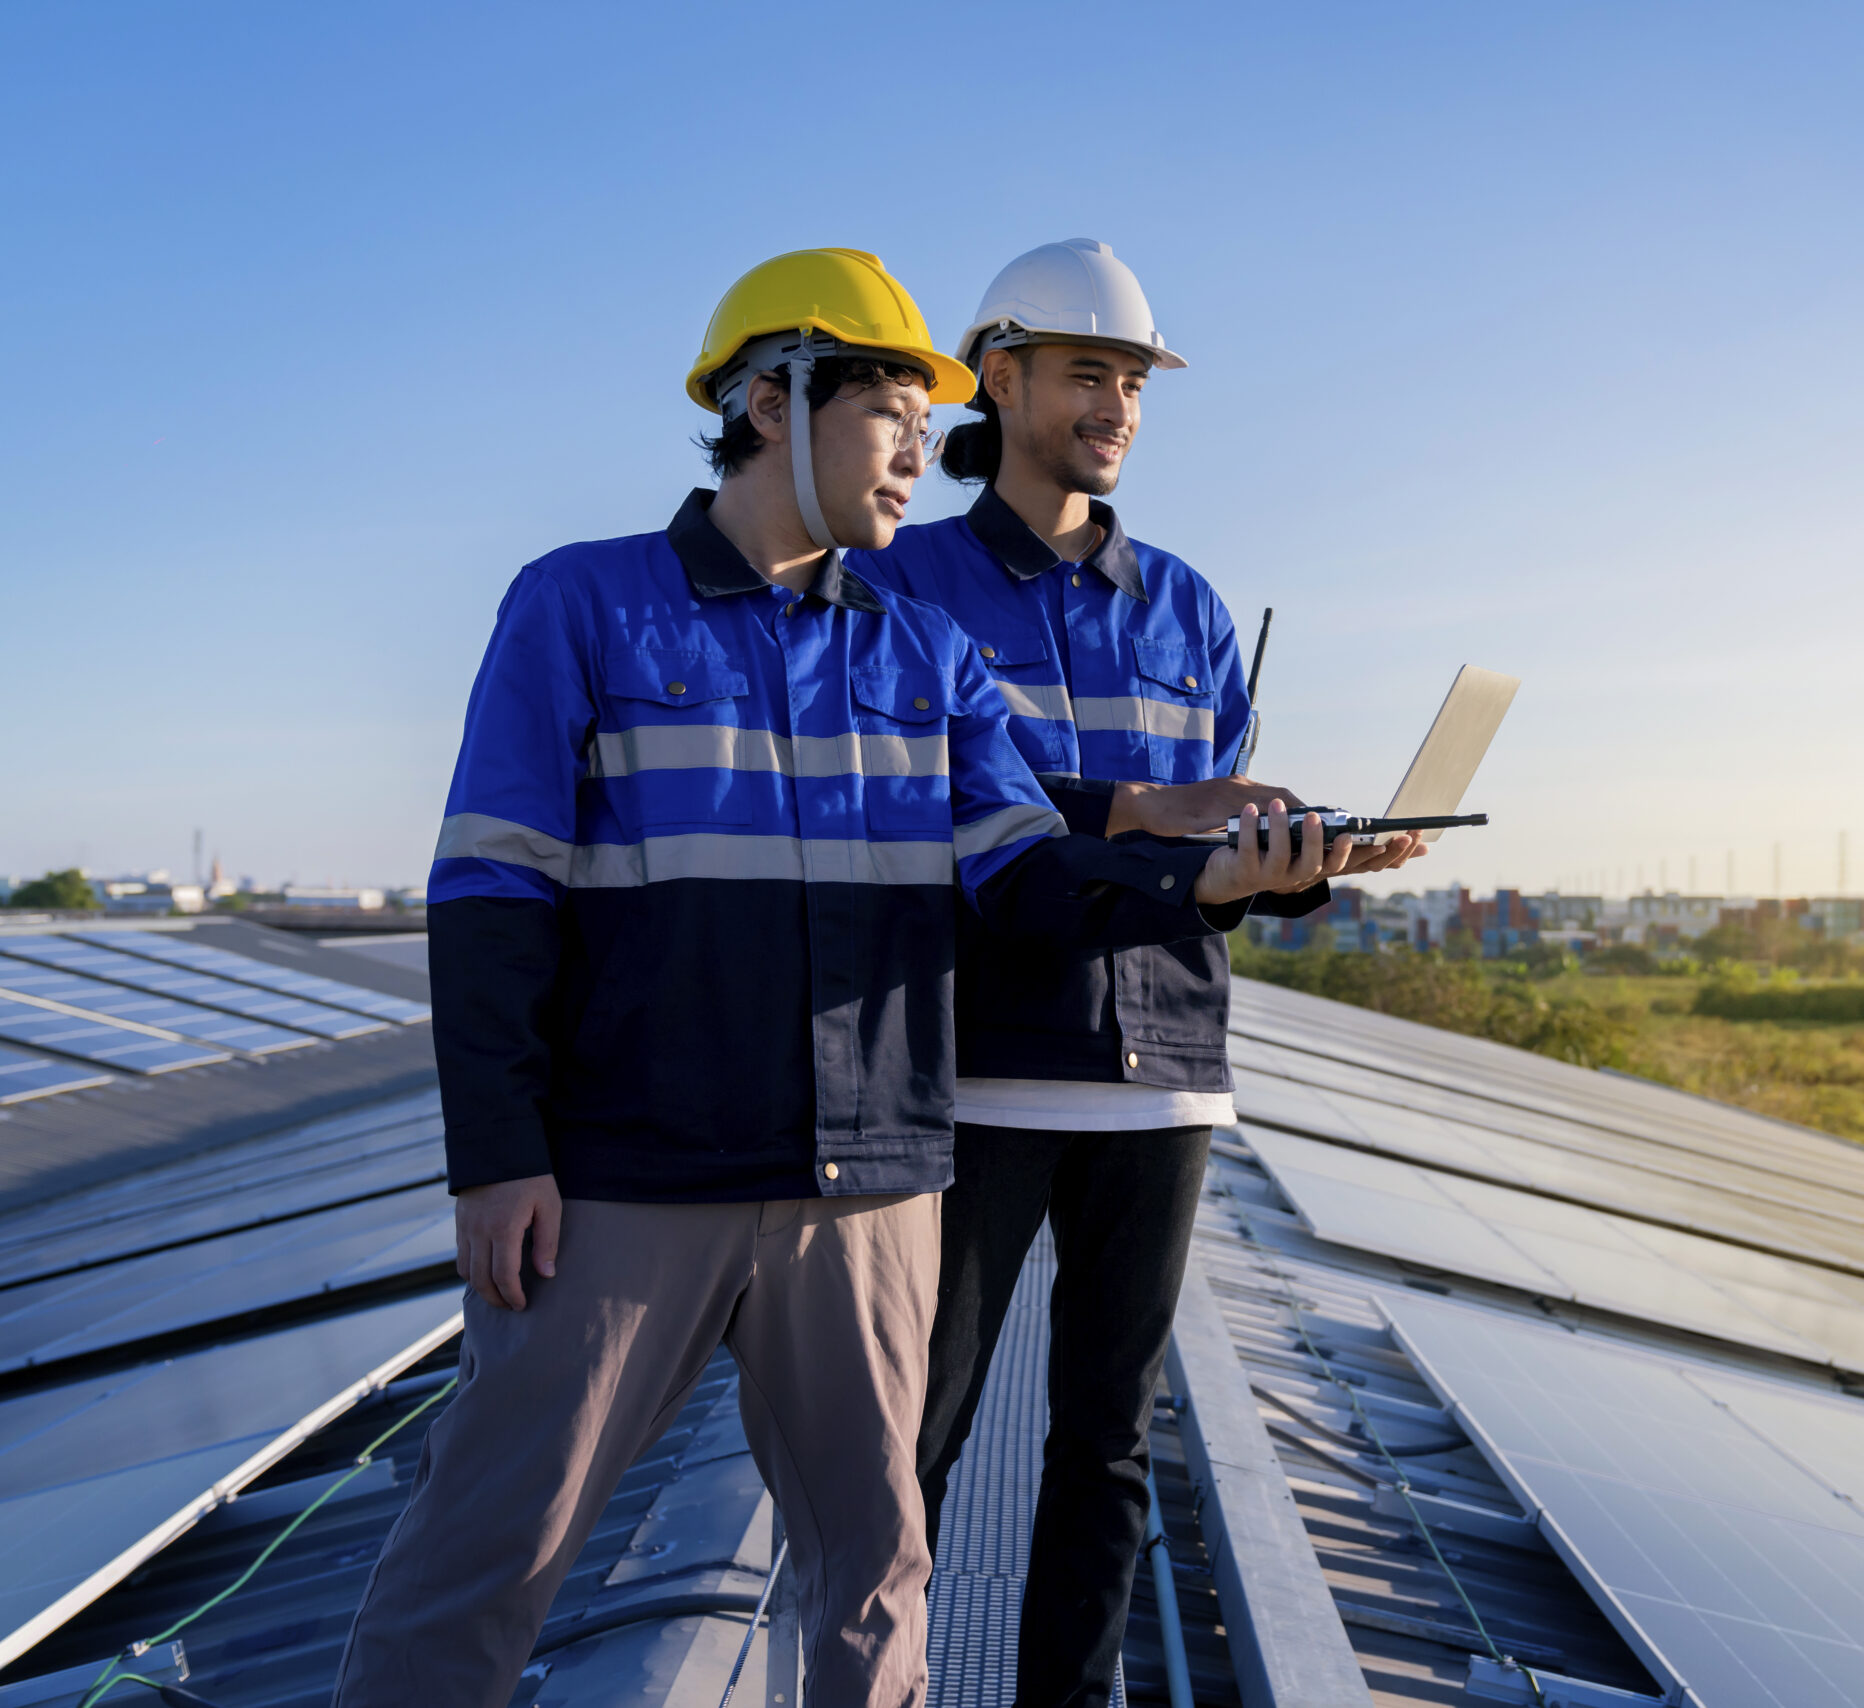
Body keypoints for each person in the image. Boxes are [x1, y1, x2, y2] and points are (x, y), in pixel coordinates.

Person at [335, 248, 1353, 1708]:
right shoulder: (582, 607)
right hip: (631, 1179)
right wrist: (498, 1154)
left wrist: (1213, 877)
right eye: (891, 413)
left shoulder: (924, 648)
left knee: (878, 1580)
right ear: (770, 400)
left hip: (869, 1189)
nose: (918, 458)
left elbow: (1020, 875)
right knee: (486, 1555)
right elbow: (493, 892)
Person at [853, 238, 1424, 1707]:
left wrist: (1299, 868)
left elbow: (1209, 866)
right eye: (1091, 373)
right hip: (975, 1074)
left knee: (1109, 1447)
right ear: (1004, 376)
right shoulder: (903, 584)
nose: (1120, 402)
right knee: (919, 1438)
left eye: (1135, 380)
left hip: (1163, 1084)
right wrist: (1145, 815)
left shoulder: (1190, 608)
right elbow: (924, 810)